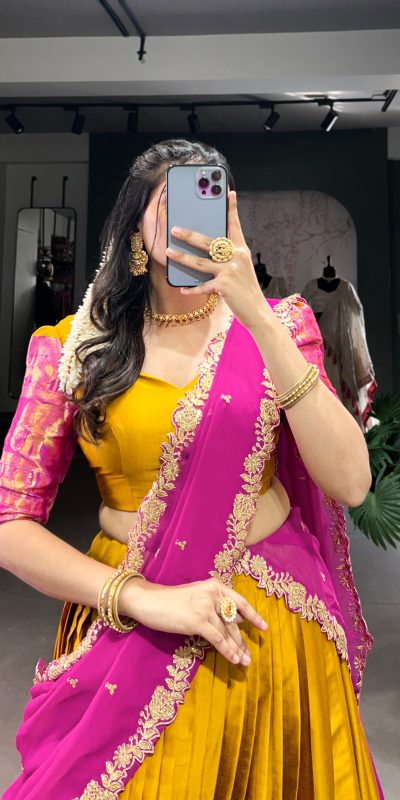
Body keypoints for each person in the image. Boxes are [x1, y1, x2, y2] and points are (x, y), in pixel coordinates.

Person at [0, 139, 384, 799]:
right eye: (170, 203)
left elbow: (351, 482)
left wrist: (256, 315)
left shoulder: (280, 328)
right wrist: (143, 599)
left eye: (208, 202)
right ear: (136, 229)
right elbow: (10, 523)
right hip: (136, 621)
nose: (189, 221)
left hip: (273, 633)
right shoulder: (74, 349)